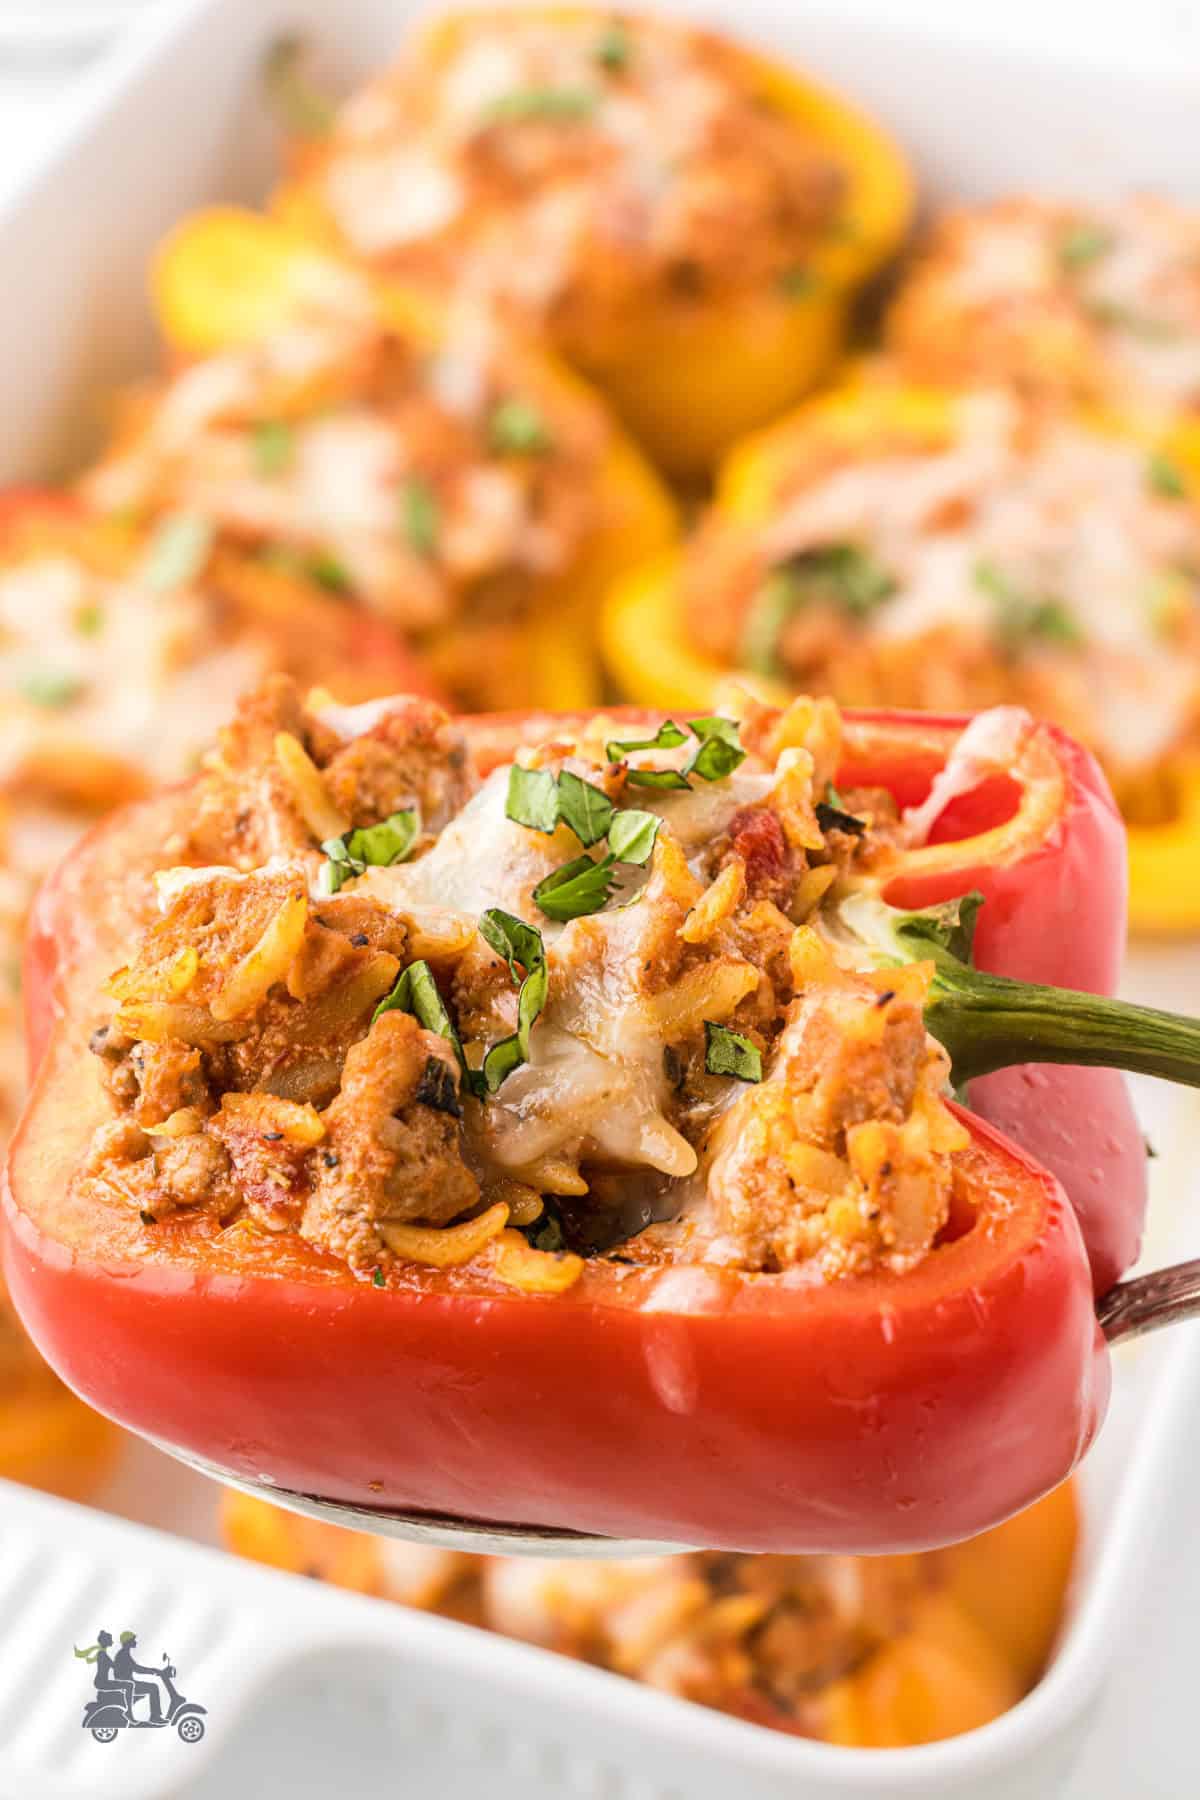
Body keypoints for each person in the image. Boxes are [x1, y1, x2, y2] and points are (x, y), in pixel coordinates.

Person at [112, 1630, 164, 1723]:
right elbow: (137, 1669)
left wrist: (153, 1671)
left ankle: (155, 1716)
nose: (135, 1642)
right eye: (133, 1640)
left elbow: (135, 1668)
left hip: (128, 1683)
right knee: (153, 1688)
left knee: (152, 1687)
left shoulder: (124, 1653)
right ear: (128, 1642)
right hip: (127, 1684)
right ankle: (155, 1717)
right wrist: (154, 1671)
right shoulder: (123, 1655)